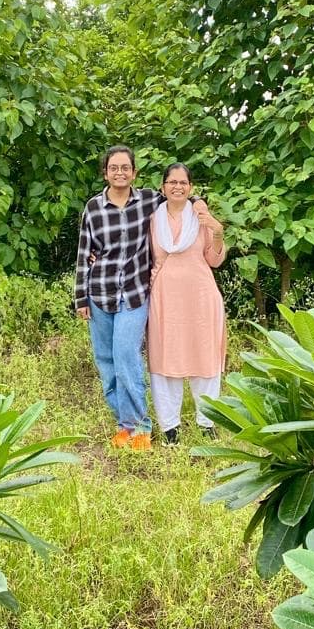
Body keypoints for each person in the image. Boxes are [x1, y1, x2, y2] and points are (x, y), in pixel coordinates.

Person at [74, 145, 162, 451]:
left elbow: (180, 196)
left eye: (126, 167)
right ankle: (122, 425)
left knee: (126, 356)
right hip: (100, 293)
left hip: (135, 294)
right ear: (106, 172)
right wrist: (81, 298)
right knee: (107, 363)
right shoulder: (94, 208)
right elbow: (84, 254)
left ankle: (140, 427)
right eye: (114, 167)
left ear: (134, 172)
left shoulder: (149, 200)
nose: (120, 172)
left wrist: (200, 204)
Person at [147, 163, 226, 444]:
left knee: (204, 357)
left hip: (201, 298)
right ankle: (170, 428)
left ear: (190, 188)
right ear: (163, 187)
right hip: (165, 298)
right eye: (172, 182)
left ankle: (208, 422)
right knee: (165, 358)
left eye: (183, 182)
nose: (177, 187)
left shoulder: (200, 216)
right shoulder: (152, 219)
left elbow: (214, 260)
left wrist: (216, 231)